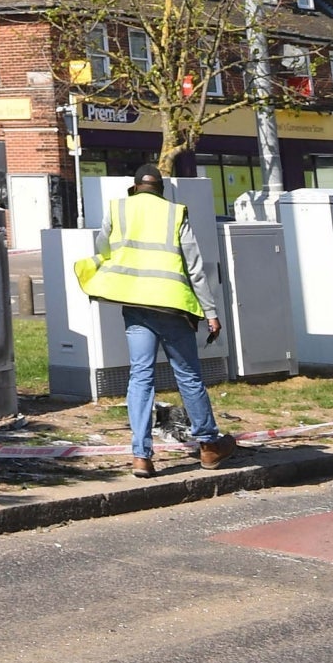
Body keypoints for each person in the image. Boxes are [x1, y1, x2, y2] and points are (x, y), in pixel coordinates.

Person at [75, 165, 237, 478]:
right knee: (188, 375)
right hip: (173, 306)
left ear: (135, 188)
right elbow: (195, 267)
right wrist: (210, 312)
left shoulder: (117, 209)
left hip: (136, 304)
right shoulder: (174, 213)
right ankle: (208, 446)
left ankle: (141, 457)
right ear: (161, 190)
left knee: (140, 377)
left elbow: (102, 249)